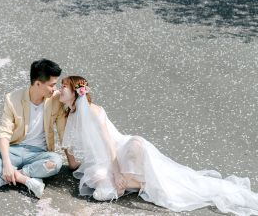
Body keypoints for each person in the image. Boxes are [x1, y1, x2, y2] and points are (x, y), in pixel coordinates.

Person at [60, 76, 258, 215]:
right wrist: (72, 164)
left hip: (119, 152)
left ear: (77, 92)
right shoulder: (72, 114)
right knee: (100, 190)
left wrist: (118, 172)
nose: (60, 90)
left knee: (135, 146)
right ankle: (133, 184)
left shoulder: (94, 111)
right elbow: (74, 159)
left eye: (64, 87)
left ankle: (136, 182)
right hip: (101, 162)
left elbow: (109, 143)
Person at [0, 59, 67, 198]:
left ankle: (5, 177)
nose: (55, 89)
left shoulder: (56, 99)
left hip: (38, 154)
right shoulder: (12, 98)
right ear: (38, 83)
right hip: (14, 150)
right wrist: (6, 163)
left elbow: (63, 132)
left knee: (56, 162)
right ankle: (27, 180)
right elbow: (4, 133)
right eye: (52, 85)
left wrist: (72, 162)